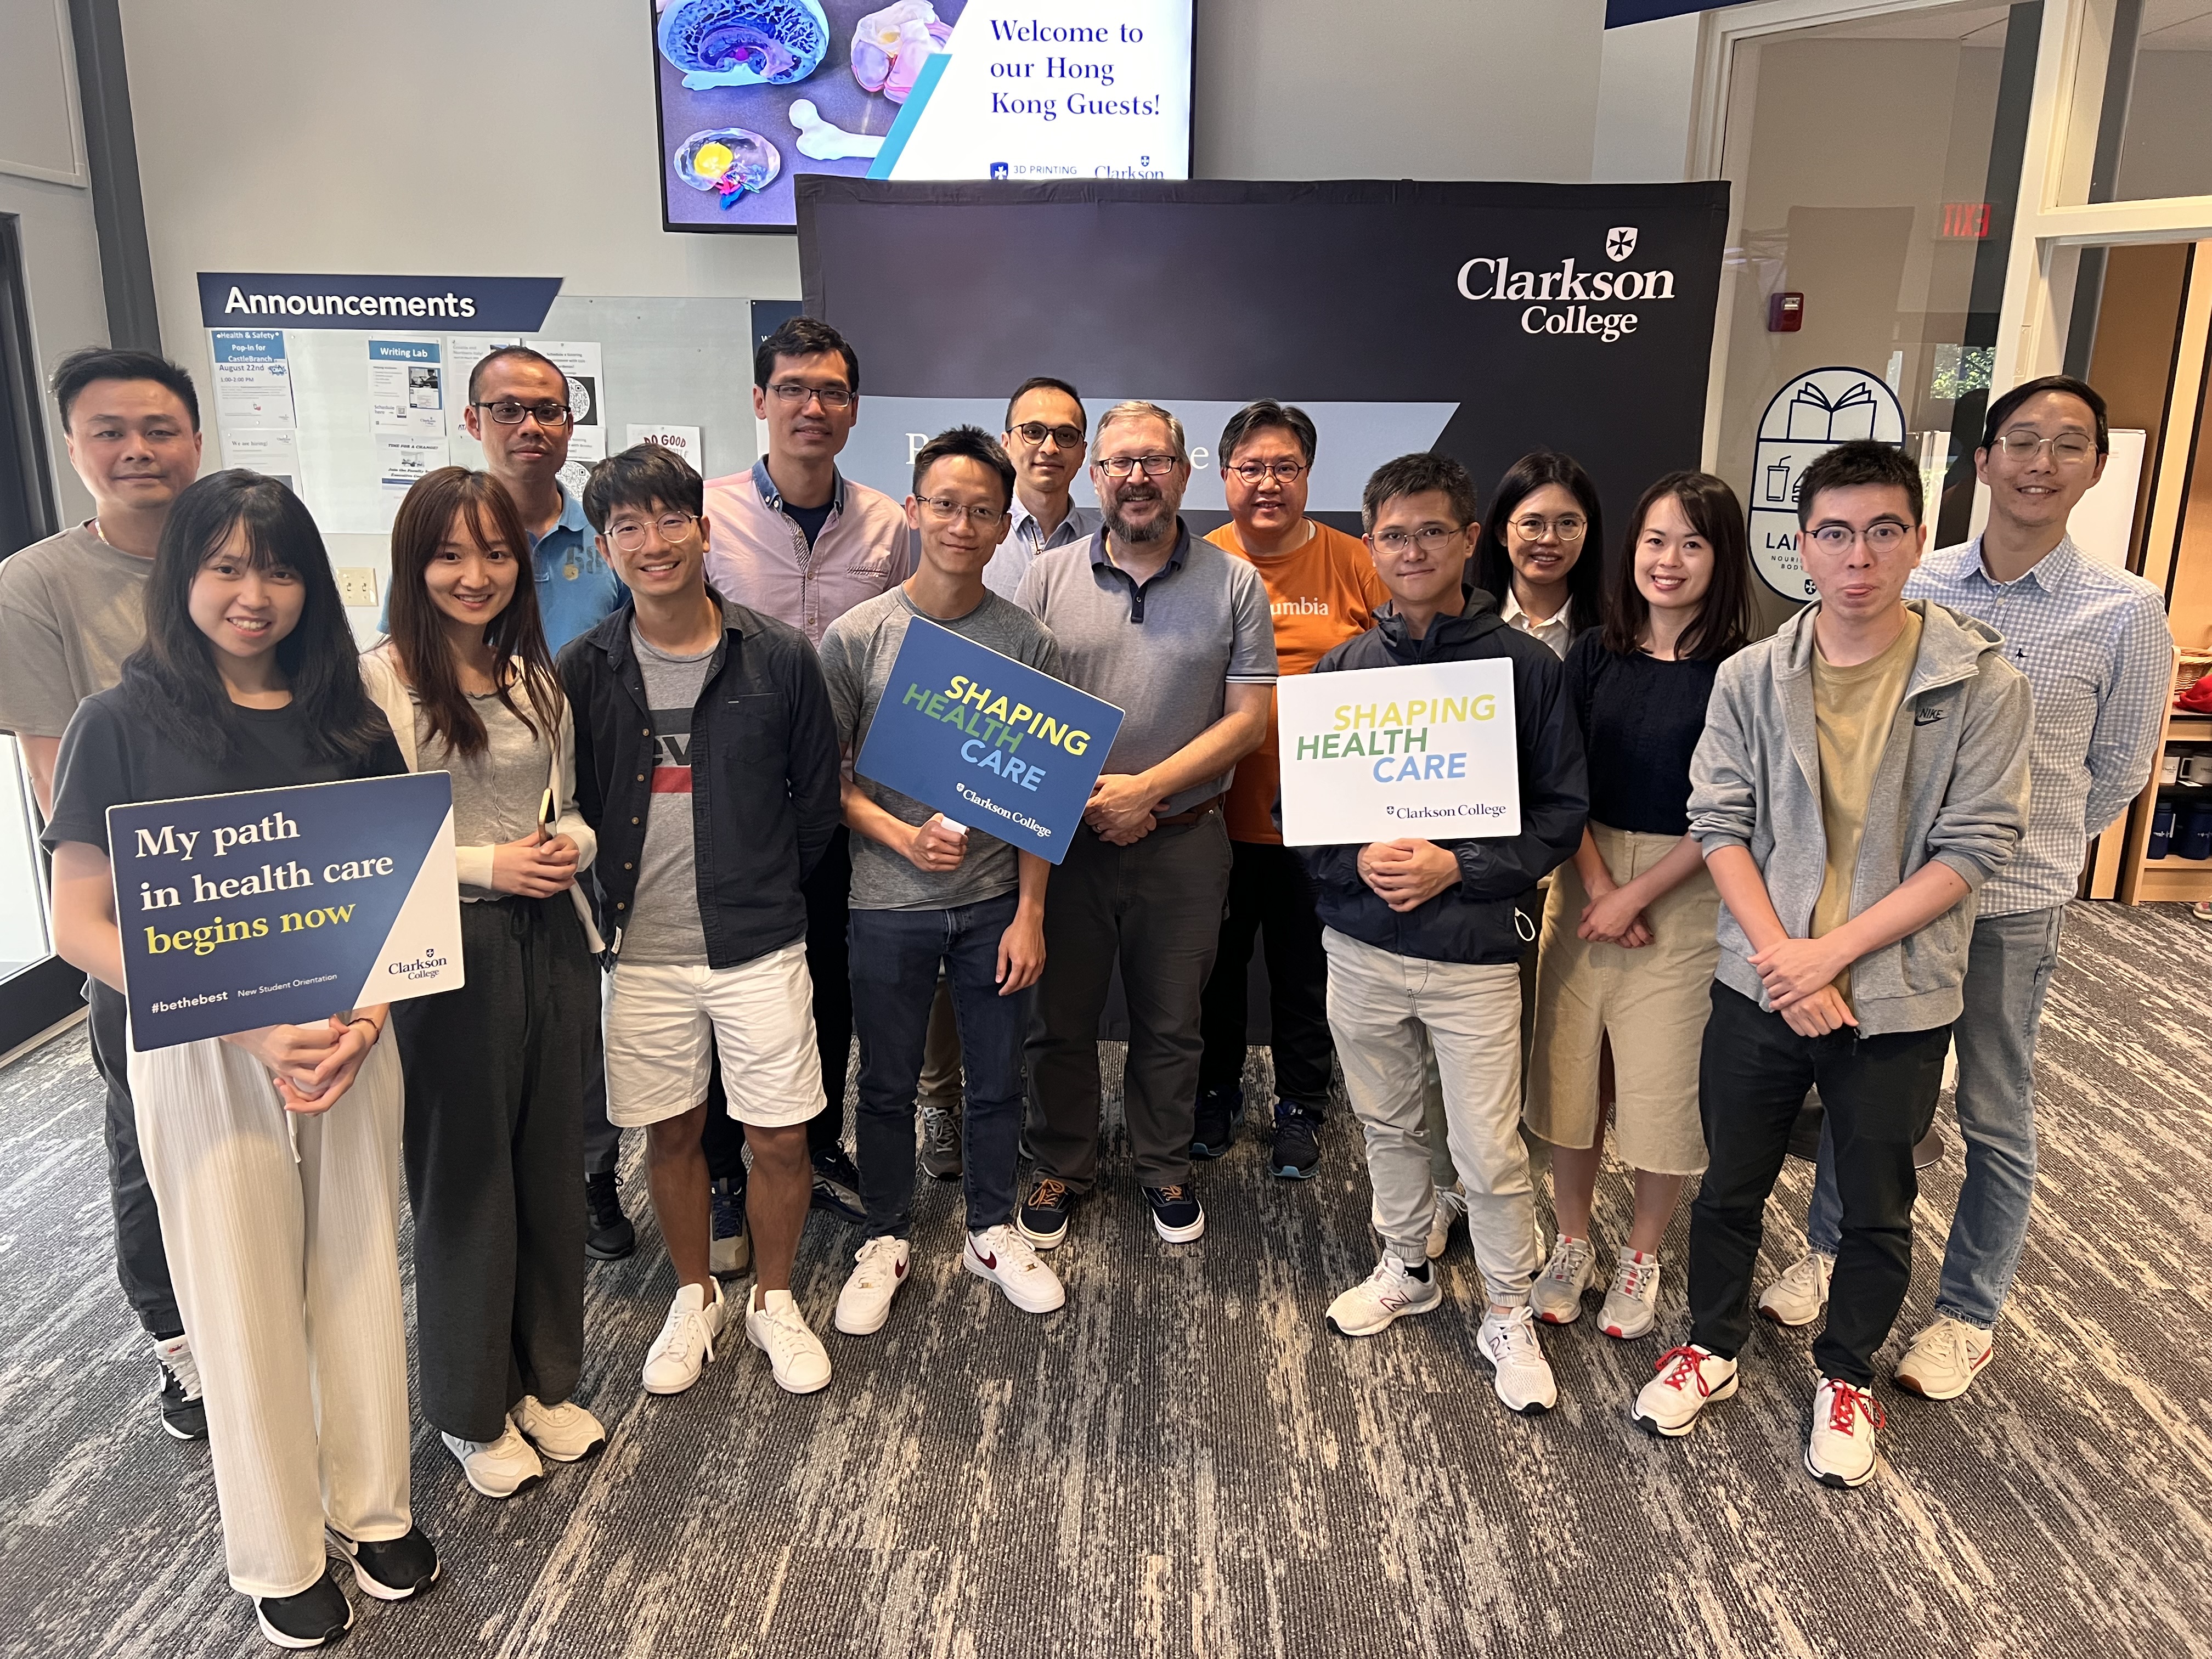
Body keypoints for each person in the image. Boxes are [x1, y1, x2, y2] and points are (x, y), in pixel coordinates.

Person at [44, 471, 437, 1648]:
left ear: (312, 582)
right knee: (243, 1293)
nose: (252, 594)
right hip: (207, 1050)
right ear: (183, 579)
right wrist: (250, 1023)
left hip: (353, 1036)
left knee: (364, 1272)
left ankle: (374, 1506)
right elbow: (79, 921)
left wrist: (364, 1025)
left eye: (276, 568)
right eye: (224, 566)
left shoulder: (352, 716)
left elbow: (399, 896)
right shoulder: (123, 722)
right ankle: (278, 1544)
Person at [1760, 376, 2170, 1400]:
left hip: (2011, 902)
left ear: (2095, 468)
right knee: (1865, 1089)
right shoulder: (1917, 578)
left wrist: (2032, 846)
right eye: (2019, 441)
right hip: (1889, 896)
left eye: (2066, 445)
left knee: (1993, 1106)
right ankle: (1826, 1251)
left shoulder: (2125, 610)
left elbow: (2118, 765)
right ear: (1979, 463)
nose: (2040, 462)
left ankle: (1967, 1310)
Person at [1633, 440, 2031, 1489]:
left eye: (1883, 529)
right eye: (1835, 533)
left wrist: (1830, 957)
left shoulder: (1979, 680)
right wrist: (1780, 956)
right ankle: (1711, 1344)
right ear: (1801, 546)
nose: (1859, 554)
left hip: (1894, 993)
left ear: (1915, 539)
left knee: (1874, 1199)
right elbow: (1717, 820)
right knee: (1728, 1184)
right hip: (1759, 980)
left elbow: (1974, 846)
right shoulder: (1751, 675)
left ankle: (1844, 1370)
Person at [1305, 453, 1586, 1417]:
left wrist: (1454, 864)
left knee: (1486, 1148)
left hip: (1470, 957)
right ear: (1369, 544)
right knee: (1386, 1125)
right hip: (1363, 947)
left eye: (1432, 530)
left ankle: (1506, 1305)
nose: (1411, 549)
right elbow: (1308, 817)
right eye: (1392, 533)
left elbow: (1559, 815)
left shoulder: (1526, 668)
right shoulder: (1343, 667)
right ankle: (1405, 1263)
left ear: (1470, 539)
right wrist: (1360, 867)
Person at [563, 442, 843, 1397]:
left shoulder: (778, 655)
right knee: (671, 1132)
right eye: (628, 527)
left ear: (703, 527)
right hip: (639, 951)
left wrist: (762, 883)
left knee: (779, 1136)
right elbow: (572, 800)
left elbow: (815, 803)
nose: (652, 542)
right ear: (605, 547)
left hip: (760, 940)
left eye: (669, 519)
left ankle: (772, 1295)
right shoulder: (584, 668)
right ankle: (694, 1292)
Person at [362, 469, 606, 1500]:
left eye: (496, 553)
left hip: (549, 938)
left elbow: (573, 807)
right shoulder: (380, 680)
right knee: (465, 1177)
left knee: (550, 1162)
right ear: (414, 566)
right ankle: (468, 1404)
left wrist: (563, 844)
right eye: (450, 554)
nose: (476, 574)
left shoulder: (533, 678)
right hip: (439, 960)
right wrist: (489, 864)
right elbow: (368, 839)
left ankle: (545, 1377)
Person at [1012, 400, 1276, 1249]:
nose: (1137, 477)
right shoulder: (1047, 578)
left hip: (1187, 842)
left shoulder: (1233, 580)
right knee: (1062, 1018)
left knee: (1173, 1020)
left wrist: (1145, 793)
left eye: (1155, 461)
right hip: (1068, 844)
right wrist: (1101, 801)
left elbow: (1248, 721)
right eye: (1121, 462)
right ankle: (1063, 1159)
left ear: (1183, 472)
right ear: (1096, 475)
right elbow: (1021, 711)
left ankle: (1163, 1164)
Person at [820, 427, 1066, 1331]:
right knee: (884, 1081)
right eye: (946, 505)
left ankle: (991, 1226)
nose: (963, 524)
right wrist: (898, 832)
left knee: (998, 1077)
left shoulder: (1026, 640)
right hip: (885, 904)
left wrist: (1032, 911)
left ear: (1005, 524)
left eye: (983, 510)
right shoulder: (859, 634)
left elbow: (1043, 797)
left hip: (995, 900)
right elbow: (826, 779)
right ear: (915, 509)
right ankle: (884, 1234)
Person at [0, 347, 203, 1438]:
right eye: (110, 432)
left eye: (158, 429)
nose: (137, 451)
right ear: (74, 448)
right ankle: (177, 1342)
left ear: (195, 440)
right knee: (149, 1133)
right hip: (136, 920)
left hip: (265, 897)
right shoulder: (36, 587)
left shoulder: (241, 555)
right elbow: (54, 784)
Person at [1523, 473, 1754, 1339]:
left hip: (1691, 886)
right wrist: (1601, 889)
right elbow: (1562, 779)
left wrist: (1640, 894)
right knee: (1572, 1075)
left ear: (1721, 558)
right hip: (1582, 876)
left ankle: (1644, 1253)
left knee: (1662, 1086)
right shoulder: (1592, 652)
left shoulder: (1743, 669)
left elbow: (1735, 807)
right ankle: (1574, 1239)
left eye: (1693, 544)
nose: (1670, 560)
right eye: (1656, 540)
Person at [703, 317, 911, 1238]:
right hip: (729, 805)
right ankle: (718, 1162)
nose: (811, 406)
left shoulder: (887, 524)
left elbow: (912, 648)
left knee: (828, 975)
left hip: (840, 802)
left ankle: (819, 1140)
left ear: (854, 409)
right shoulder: (705, 516)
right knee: (724, 982)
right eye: (791, 388)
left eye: (830, 391)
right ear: (760, 400)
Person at [442, 345, 634, 1267]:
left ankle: (590, 1172)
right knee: (473, 1038)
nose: (531, 426)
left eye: (550, 410)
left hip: (581, 810)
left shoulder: (604, 542)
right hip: (470, 836)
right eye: (508, 409)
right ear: (473, 419)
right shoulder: (444, 548)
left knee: (579, 1016)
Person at [1194, 400, 1386, 1179]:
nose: (1268, 484)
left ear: (1308, 475)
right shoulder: (1198, 560)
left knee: (1309, 976)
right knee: (1215, 971)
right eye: (1252, 468)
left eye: (1286, 468)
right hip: (1214, 818)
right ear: (1223, 474)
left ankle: (1303, 1103)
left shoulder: (1355, 562)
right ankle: (1215, 1093)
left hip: (1325, 825)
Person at [914, 376, 1099, 1180]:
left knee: (1028, 964)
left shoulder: (1104, 542)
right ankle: (938, 1101)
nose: (1048, 446)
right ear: (1010, 440)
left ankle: (1018, 1120)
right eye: (1033, 431)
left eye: (1065, 433)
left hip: (1048, 784)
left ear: (1082, 452)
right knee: (943, 981)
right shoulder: (967, 528)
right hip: (942, 781)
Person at [1472, 451, 1606, 661]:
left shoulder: (1618, 634)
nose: (1549, 539)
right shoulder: (1465, 628)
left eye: (1567, 523)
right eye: (1532, 523)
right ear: (1501, 532)